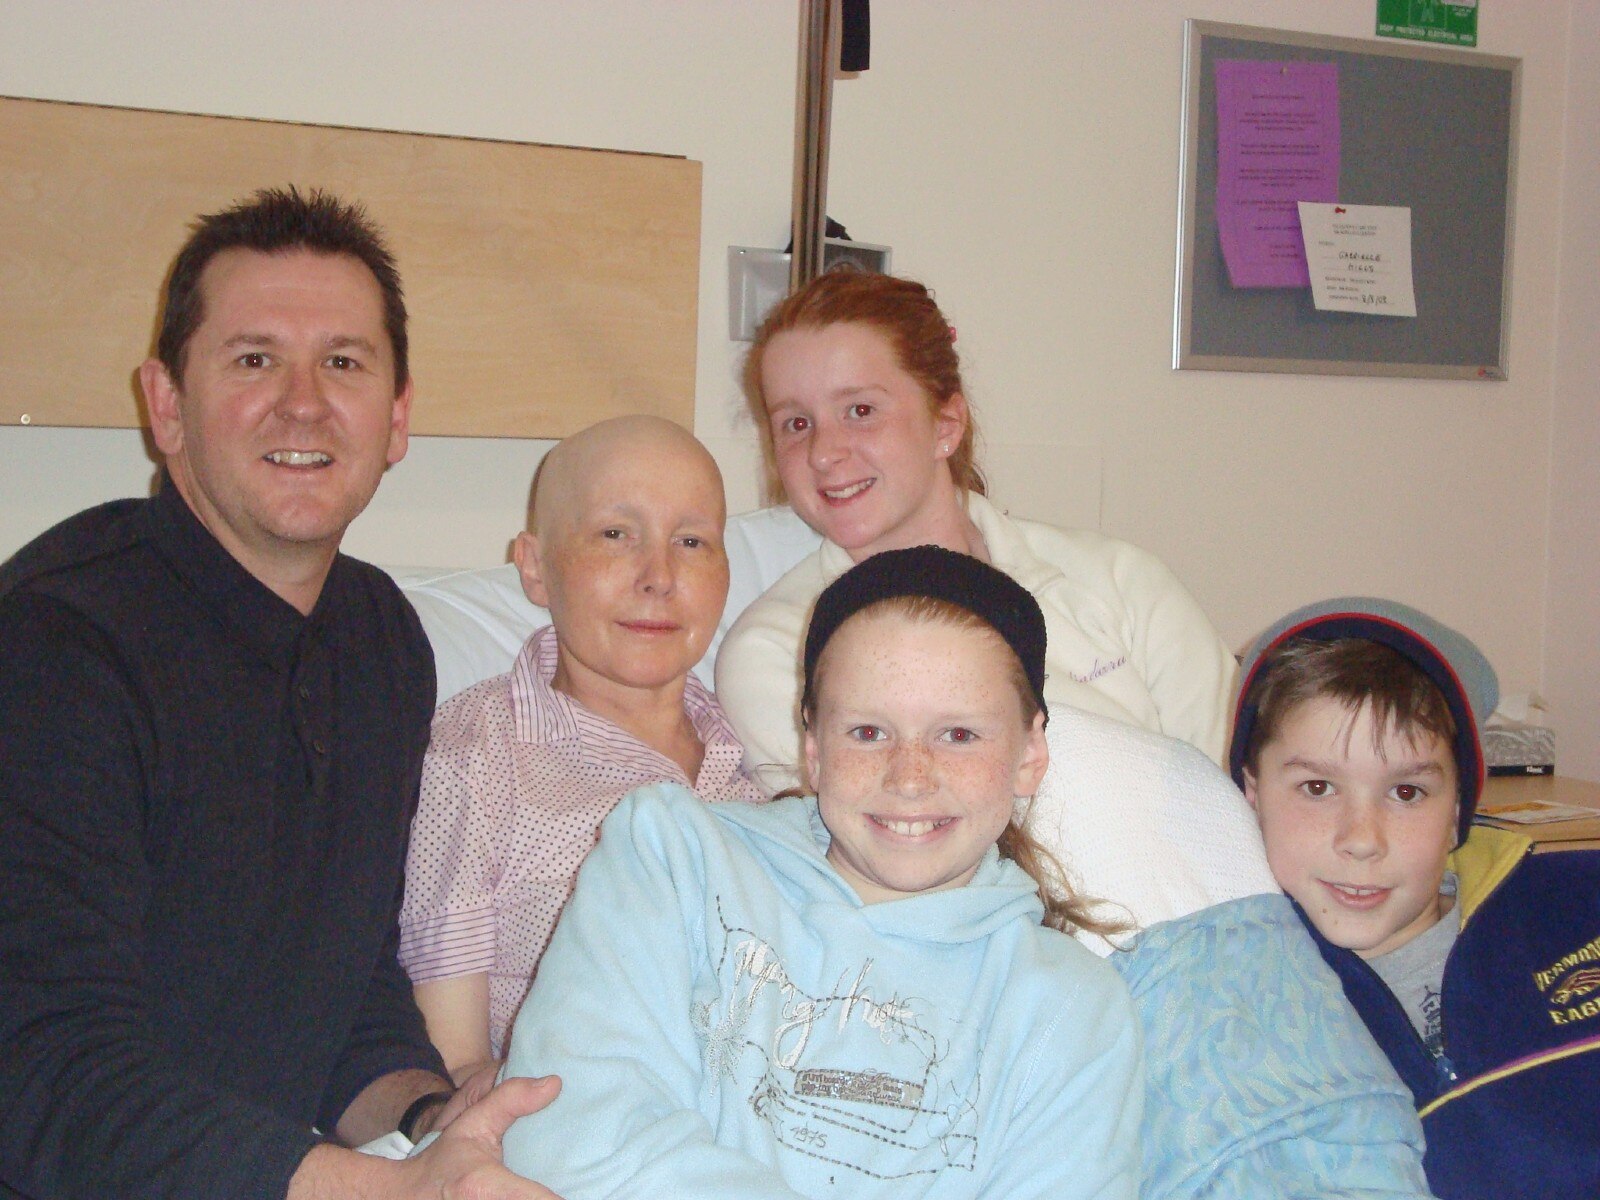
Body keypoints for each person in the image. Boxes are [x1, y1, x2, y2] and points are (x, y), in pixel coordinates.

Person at [0, 187, 560, 1200]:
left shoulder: (380, 637)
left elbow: (345, 988)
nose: (303, 402)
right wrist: (379, 1189)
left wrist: (433, 1119)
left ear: (396, 418)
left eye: (343, 362)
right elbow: (42, 1075)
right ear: (165, 405)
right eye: (254, 358)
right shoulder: (56, 646)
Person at [490, 545, 1142, 1198]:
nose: (910, 776)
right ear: (813, 748)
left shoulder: (1071, 1011)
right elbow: (565, 1138)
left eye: (959, 735)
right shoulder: (672, 861)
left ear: (1030, 754)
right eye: (867, 732)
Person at [715, 268, 1238, 793]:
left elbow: (1236, 791)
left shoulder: (1122, 582)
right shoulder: (777, 654)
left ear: (946, 425)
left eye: (860, 410)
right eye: (796, 424)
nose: (825, 453)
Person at [398, 415, 764, 1081]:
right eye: (615, 535)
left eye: (692, 541)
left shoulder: (755, 767)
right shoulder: (477, 754)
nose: (659, 575)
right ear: (536, 569)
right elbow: (456, 1065)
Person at [1230, 597, 1600, 1199]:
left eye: (1406, 792)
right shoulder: (1239, 1001)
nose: (1361, 841)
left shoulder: (1578, 902)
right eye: (1317, 787)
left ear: (1458, 812)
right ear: (1251, 796)